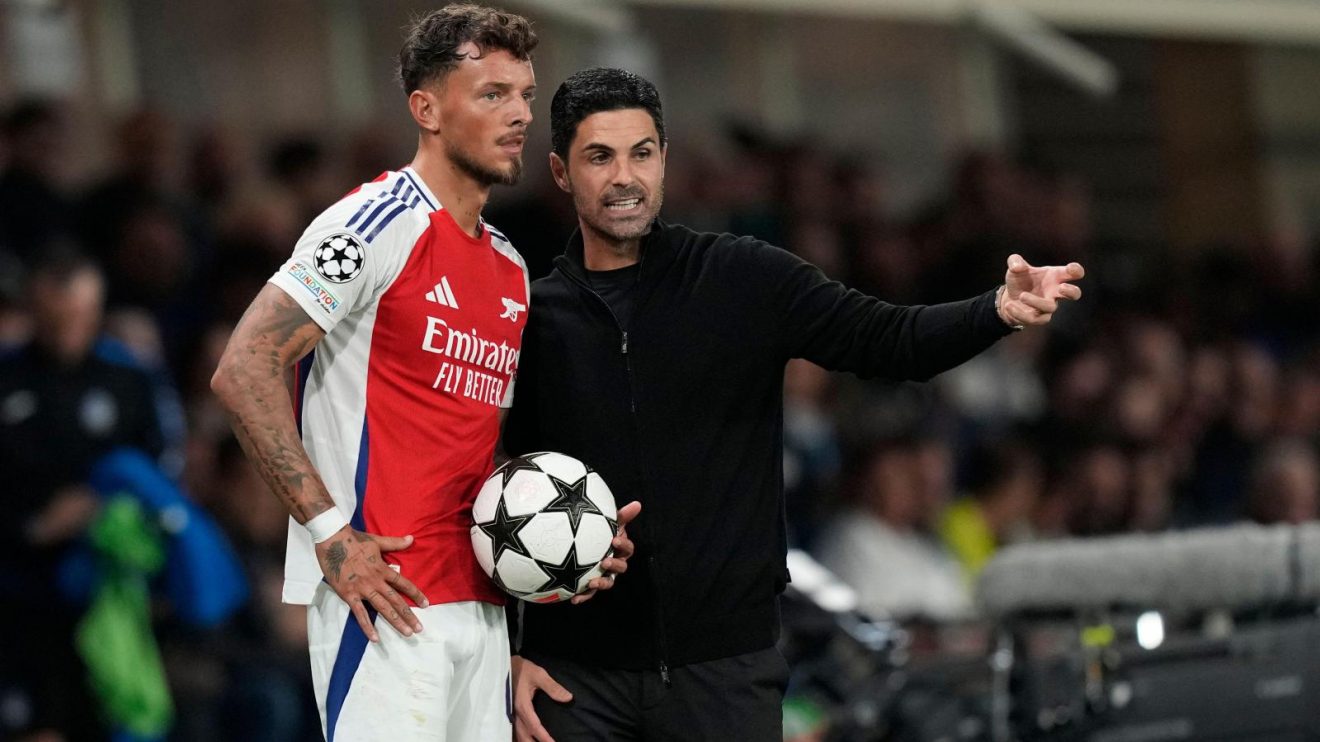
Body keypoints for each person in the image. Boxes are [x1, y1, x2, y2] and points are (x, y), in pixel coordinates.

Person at [503, 67, 1085, 740]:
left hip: (725, 676)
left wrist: (997, 310)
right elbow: (494, 486)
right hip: (574, 681)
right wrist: (512, 649)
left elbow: (890, 340)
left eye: (641, 153)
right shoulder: (531, 316)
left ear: (664, 159)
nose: (625, 176)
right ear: (561, 171)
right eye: (600, 157)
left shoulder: (742, 277)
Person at [210, 7, 635, 740]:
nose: (520, 116)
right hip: (383, 601)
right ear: (427, 109)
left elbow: (481, 451)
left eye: (525, 95)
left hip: (483, 607)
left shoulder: (509, 266)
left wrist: (569, 540)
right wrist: (331, 536)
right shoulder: (373, 223)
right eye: (492, 94)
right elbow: (244, 367)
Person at [0, 251, 163, 741]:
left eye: (81, 316)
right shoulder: (8, 378)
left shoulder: (128, 381)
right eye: (58, 317)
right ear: (35, 308)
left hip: (109, 585)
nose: (69, 329)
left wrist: (99, 508)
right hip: (19, 591)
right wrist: (33, 526)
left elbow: (157, 473)